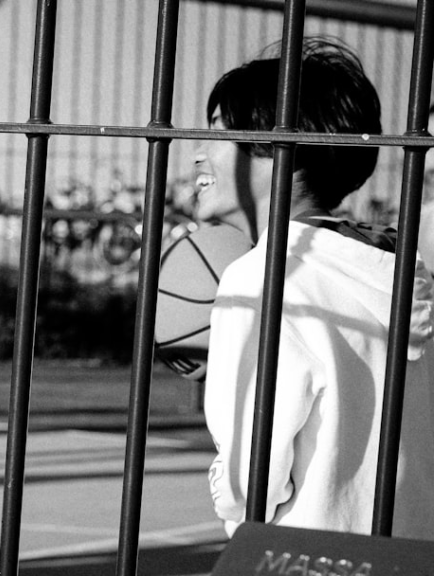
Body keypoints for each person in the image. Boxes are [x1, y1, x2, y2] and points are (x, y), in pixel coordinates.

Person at [197, 38, 434, 539]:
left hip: (302, 556)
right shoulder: (398, 267)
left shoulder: (264, 275)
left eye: (215, 133)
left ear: (272, 147)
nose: (198, 153)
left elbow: (250, 486)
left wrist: (222, 475)